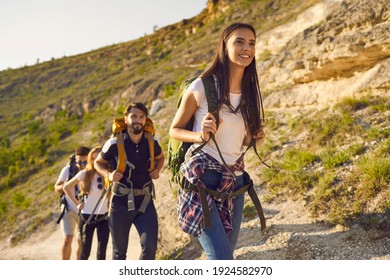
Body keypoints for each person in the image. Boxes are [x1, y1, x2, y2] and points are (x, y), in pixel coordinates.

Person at [169, 22, 266, 260]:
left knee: (224, 257)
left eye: (251, 43)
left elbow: (240, 142)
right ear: (224, 46)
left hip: (236, 182)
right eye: (239, 42)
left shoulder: (251, 91)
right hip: (202, 178)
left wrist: (253, 138)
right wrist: (200, 136)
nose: (247, 48)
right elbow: (175, 129)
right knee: (222, 260)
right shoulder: (202, 86)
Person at [94, 102, 165, 260]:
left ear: (145, 120)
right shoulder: (113, 144)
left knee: (150, 247)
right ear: (126, 119)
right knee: (119, 254)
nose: (137, 120)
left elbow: (161, 158)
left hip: (145, 202)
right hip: (120, 204)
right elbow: (97, 163)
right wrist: (109, 175)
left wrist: (157, 170)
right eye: (133, 116)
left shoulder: (151, 142)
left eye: (141, 117)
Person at [63, 146, 110, 260]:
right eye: (92, 158)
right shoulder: (84, 174)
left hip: (104, 217)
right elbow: (66, 187)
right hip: (86, 217)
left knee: (101, 253)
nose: (95, 161)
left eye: (98, 158)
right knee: (85, 253)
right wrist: (77, 203)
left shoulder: (108, 174)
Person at [54, 145, 91, 260]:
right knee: (67, 239)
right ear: (75, 159)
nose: (82, 165)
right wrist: (67, 185)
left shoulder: (93, 172)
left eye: (85, 162)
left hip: (84, 211)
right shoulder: (68, 170)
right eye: (79, 162)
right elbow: (56, 187)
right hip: (68, 209)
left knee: (81, 242)